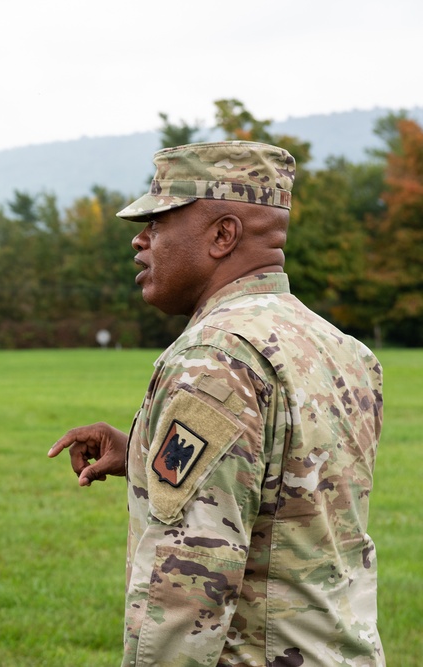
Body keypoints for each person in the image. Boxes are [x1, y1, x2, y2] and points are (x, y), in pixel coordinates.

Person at [47, 141, 385, 666]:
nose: (139, 239)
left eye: (158, 222)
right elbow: (288, 490)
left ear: (223, 235)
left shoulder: (215, 360)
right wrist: (143, 450)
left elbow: (184, 590)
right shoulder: (342, 349)